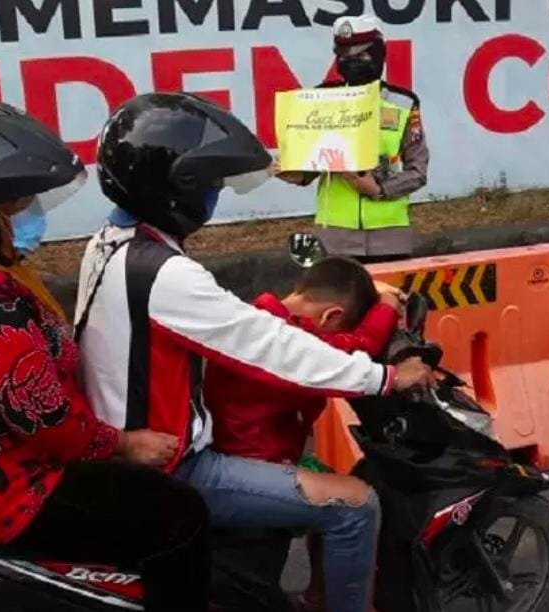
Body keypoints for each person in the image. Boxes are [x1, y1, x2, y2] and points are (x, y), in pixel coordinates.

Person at [75, 92, 435, 612]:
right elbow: (275, 349)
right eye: (213, 184)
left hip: (128, 447)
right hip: (175, 466)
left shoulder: (111, 242)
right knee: (355, 504)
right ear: (180, 188)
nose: (216, 195)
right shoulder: (166, 274)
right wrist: (383, 378)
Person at [0, 99, 210, 612]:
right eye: (15, 207)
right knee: (179, 514)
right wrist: (127, 443)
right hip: (7, 488)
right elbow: (53, 426)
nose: (30, 215)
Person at [205, 256, 403, 612]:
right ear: (330, 317)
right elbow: (360, 347)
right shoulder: (290, 340)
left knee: (329, 482)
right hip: (250, 463)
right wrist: (389, 304)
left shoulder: (260, 317)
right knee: (357, 507)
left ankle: (317, 599)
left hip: (245, 451)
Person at [277, 14, 429, 264]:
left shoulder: (403, 104)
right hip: (334, 239)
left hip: (389, 236)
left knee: (389, 302)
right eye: (344, 55)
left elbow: (418, 171)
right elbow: (308, 171)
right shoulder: (322, 101)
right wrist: (291, 171)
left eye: (361, 54)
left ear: (378, 54)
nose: (352, 62)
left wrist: (380, 190)